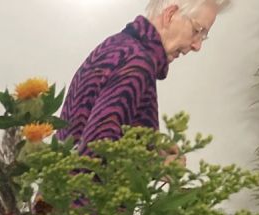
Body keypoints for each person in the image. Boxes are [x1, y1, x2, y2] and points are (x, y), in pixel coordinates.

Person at [59, 1, 227, 147]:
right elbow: (99, 149)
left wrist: (156, 152)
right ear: (170, 15)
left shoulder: (117, 45)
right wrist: (158, 165)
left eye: (203, 37)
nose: (197, 46)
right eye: (197, 31)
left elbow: (87, 138)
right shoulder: (137, 62)